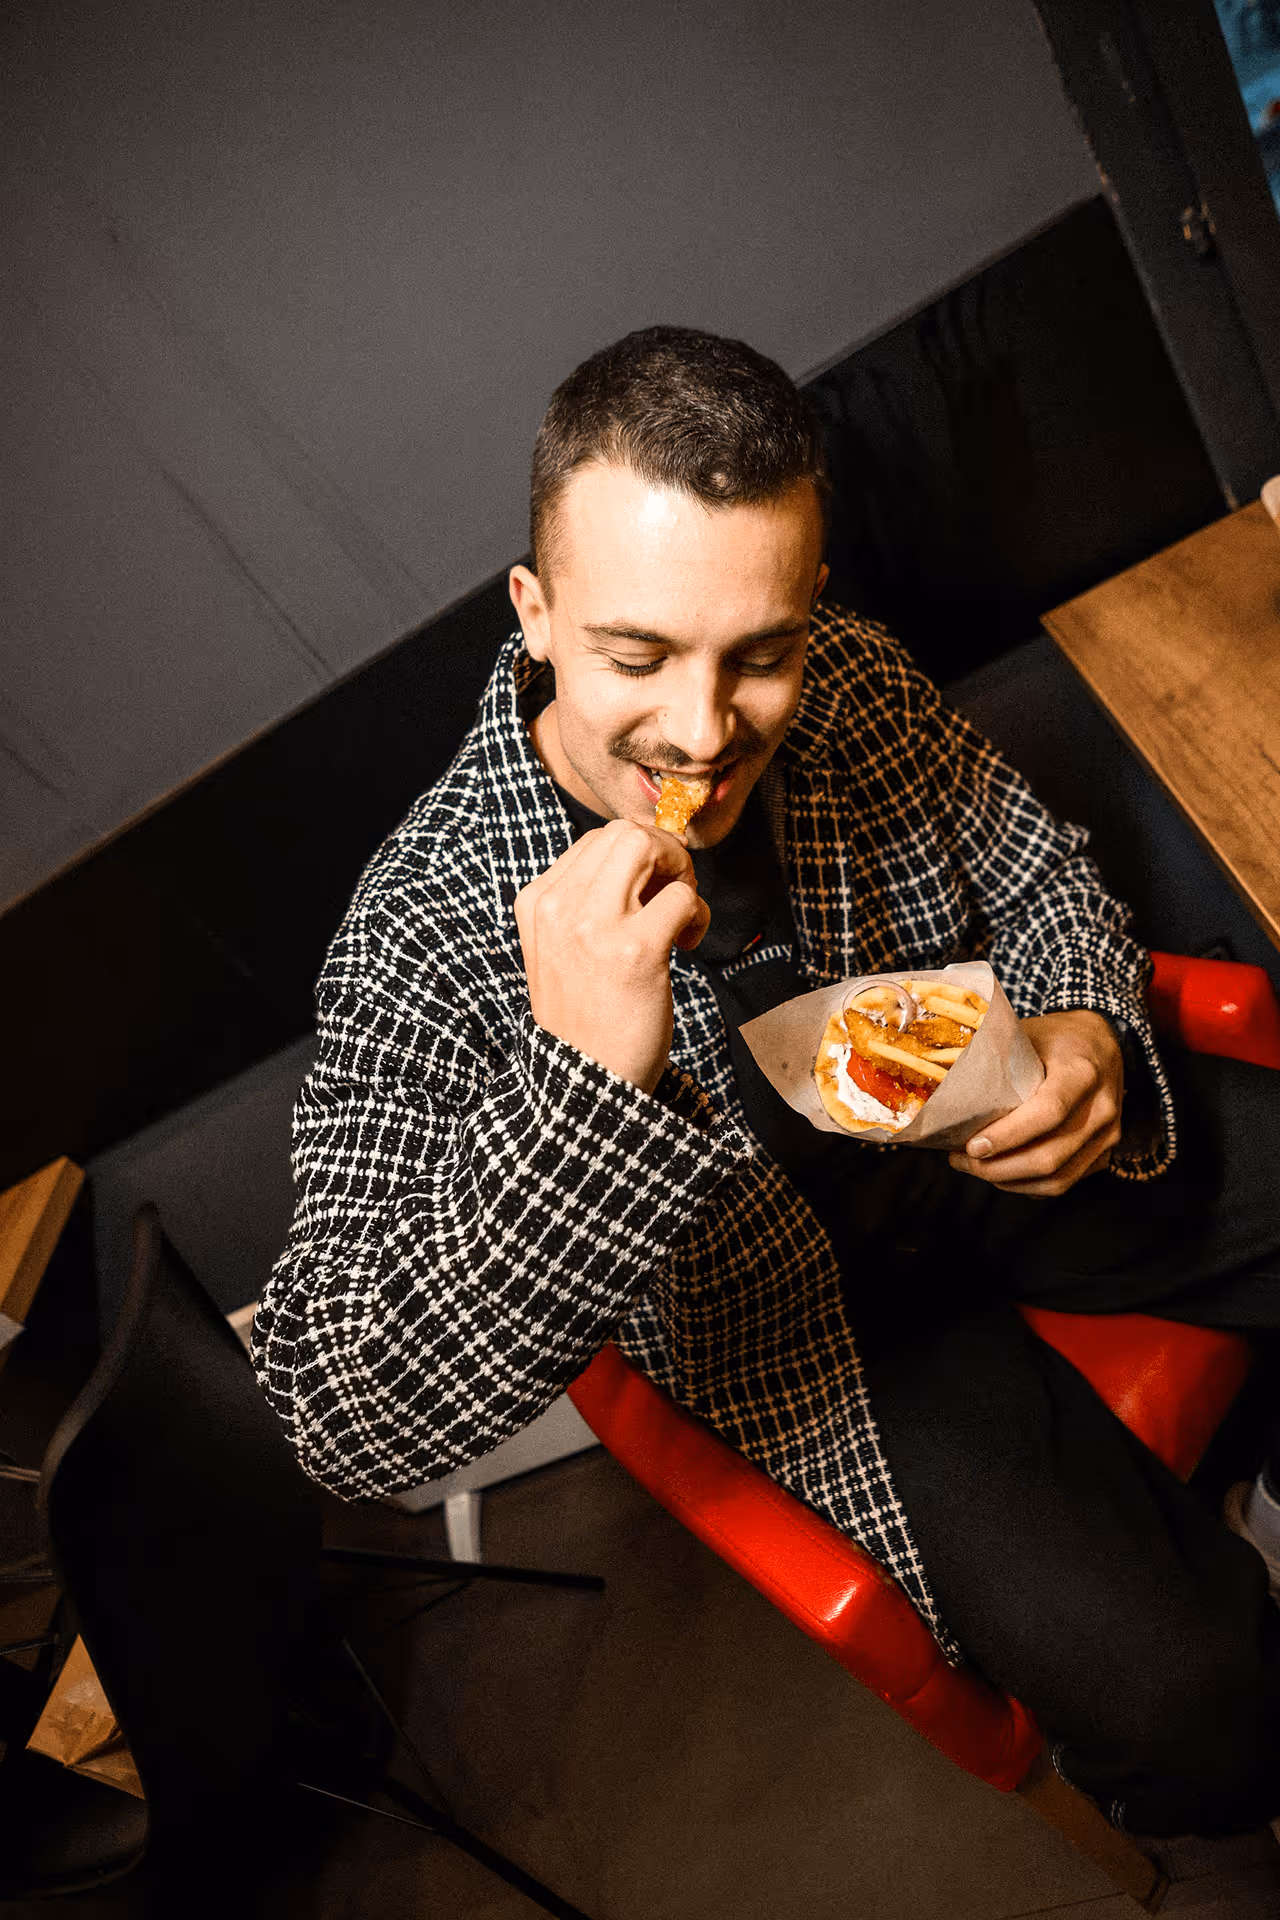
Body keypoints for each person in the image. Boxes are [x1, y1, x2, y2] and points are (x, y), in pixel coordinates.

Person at [254, 325, 1280, 1839]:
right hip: (816, 1331)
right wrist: (577, 1096)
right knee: (1208, 1716)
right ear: (534, 615)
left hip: (971, 1130)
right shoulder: (420, 927)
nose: (700, 728)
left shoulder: (852, 678)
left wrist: (1082, 1031)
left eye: (762, 653)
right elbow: (337, 1412)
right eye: (636, 655)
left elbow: (1032, 862)